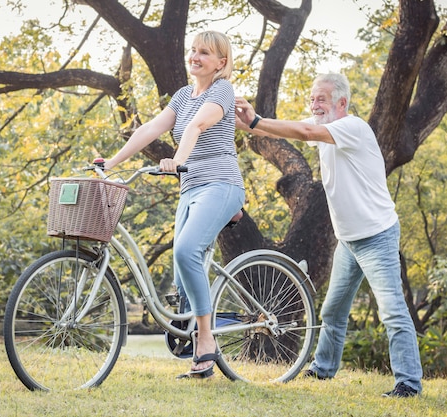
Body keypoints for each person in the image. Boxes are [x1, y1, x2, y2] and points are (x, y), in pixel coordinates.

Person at [235, 73, 422, 397]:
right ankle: (323, 369)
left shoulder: (352, 128)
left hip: (377, 236)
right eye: (312, 98)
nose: (314, 104)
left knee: (392, 310)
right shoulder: (326, 129)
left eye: (320, 98)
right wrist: (245, 123)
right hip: (348, 241)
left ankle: (408, 383)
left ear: (341, 103)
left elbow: (305, 130)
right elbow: (290, 128)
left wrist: (257, 120)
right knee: (332, 311)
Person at [104, 31, 245, 379]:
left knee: (185, 252)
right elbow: (150, 128)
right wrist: (111, 163)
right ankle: (201, 355)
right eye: (193, 51)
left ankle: (207, 339)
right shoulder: (182, 97)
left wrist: (177, 159)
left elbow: (199, 125)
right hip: (191, 190)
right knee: (182, 276)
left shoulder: (222, 90)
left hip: (221, 183)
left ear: (220, 63)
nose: (195, 57)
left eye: (204, 53)